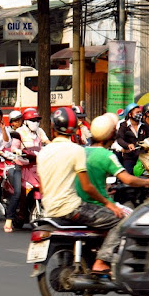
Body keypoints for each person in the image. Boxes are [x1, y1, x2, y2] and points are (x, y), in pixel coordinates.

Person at [37, 107, 124, 275]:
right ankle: (101, 261)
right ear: (75, 129)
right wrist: (108, 204)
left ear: (53, 128)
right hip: (71, 209)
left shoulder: (43, 152)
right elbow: (87, 187)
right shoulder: (76, 150)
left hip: (48, 209)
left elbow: (42, 187)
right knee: (119, 220)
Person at [75, 114, 149, 216]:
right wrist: (148, 181)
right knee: (133, 218)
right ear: (110, 135)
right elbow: (128, 180)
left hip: (83, 205)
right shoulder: (107, 155)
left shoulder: (82, 151)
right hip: (101, 205)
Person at [116, 103, 149, 174]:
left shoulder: (143, 125)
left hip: (143, 156)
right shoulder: (124, 126)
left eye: (140, 112)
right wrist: (128, 145)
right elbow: (119, 139)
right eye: (137, 112)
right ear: (130, 114)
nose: (140, 114)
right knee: (128, 174)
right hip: (130, 157)